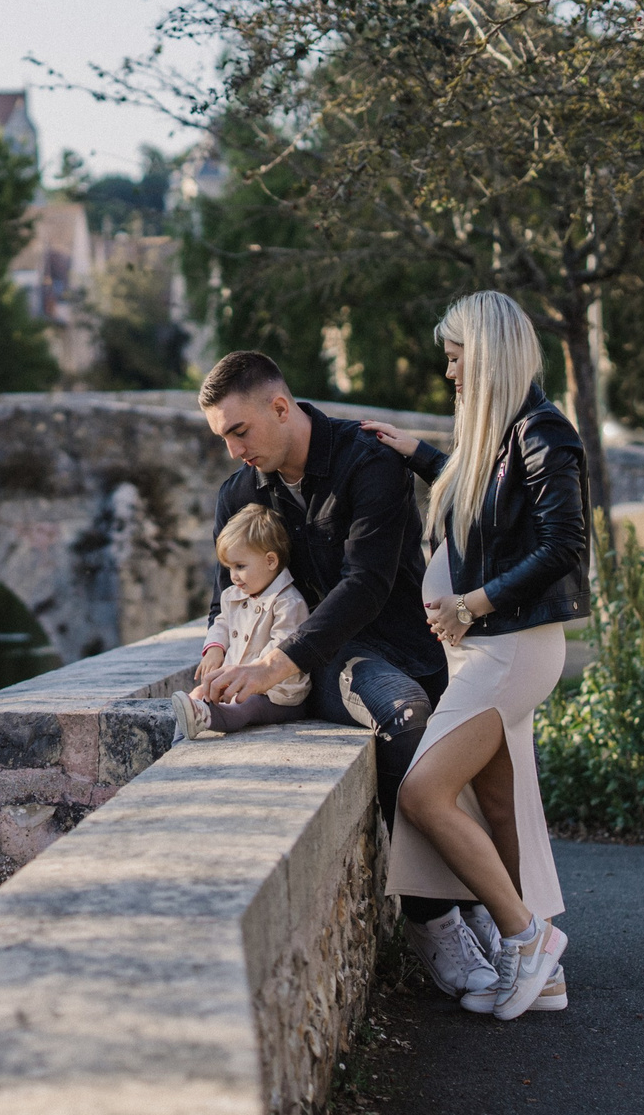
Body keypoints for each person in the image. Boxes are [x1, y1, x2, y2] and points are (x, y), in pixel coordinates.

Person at [195, 352, 497, 989]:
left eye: (239, 431)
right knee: (403, 719)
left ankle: (481, 907)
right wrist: (217, 661)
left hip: (407, 646)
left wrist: (275, 663)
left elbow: (367, 583)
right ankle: (434, 921)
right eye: (222, 438)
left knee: (464, 756)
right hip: (333, 664)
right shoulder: (241, 495)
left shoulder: (369, 463)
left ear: (281, 407)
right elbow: (223, 603)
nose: (232, 451)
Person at [364, 292, 591, 1022]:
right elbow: (486, 499)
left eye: (457, 358)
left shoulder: (545, 433)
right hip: (487, 653)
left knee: (424, 793)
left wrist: (473, 604)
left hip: (511, 650)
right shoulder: (501, 436)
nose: (451, 373)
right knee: (498, 805)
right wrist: (417, 453)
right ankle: (543, 979)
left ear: (487, 354)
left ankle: (529, 938)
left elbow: (564, 545)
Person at [173, 505, 311, 738]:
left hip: (278, 693)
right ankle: (179, 742)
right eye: (229, 568)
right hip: (237, 680)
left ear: (270, 561)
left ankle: (210, 717)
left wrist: (242, 678)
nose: (233, 576)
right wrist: (215, 648)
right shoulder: (232, 596)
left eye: (240, 566)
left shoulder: (288, 602)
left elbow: (281, 648)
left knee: (246, 706)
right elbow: (222, 623)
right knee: (196, 694)